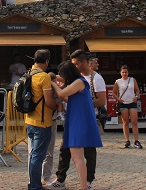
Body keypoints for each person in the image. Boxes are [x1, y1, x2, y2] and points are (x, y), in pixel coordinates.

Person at [45, 50, 106, 190]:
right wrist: (56, 79)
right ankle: (83, 185)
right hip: (75, 120)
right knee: (75, 156)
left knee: (78, 157)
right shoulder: (79, 82)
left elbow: (61, 93)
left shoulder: (79, 82)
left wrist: (52, 82)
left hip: (79, 122)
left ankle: (85, 186)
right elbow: (68, 98)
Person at [25, 49, 57, 190]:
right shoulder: (44, 77)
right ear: (47, 61)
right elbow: (49, 101)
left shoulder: (28, 74)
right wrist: (57, 106)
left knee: (33, 155)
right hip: (42, 122)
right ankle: (35, 186)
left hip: (29, 120)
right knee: (38, 156)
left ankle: (33, 182)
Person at [112, 65, 142, 149]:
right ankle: (127, 140)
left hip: (132, 102)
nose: (124, 74)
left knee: (134, 122)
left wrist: (136, 96)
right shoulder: (118, 81)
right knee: (125, 122)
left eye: (126, 72)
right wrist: (118, 99)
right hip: (123, 103)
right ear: (120, 73)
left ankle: (136, 140)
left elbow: (137, 90)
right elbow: (113, 92)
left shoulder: (132, 80)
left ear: (128, 72)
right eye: (123, 72)